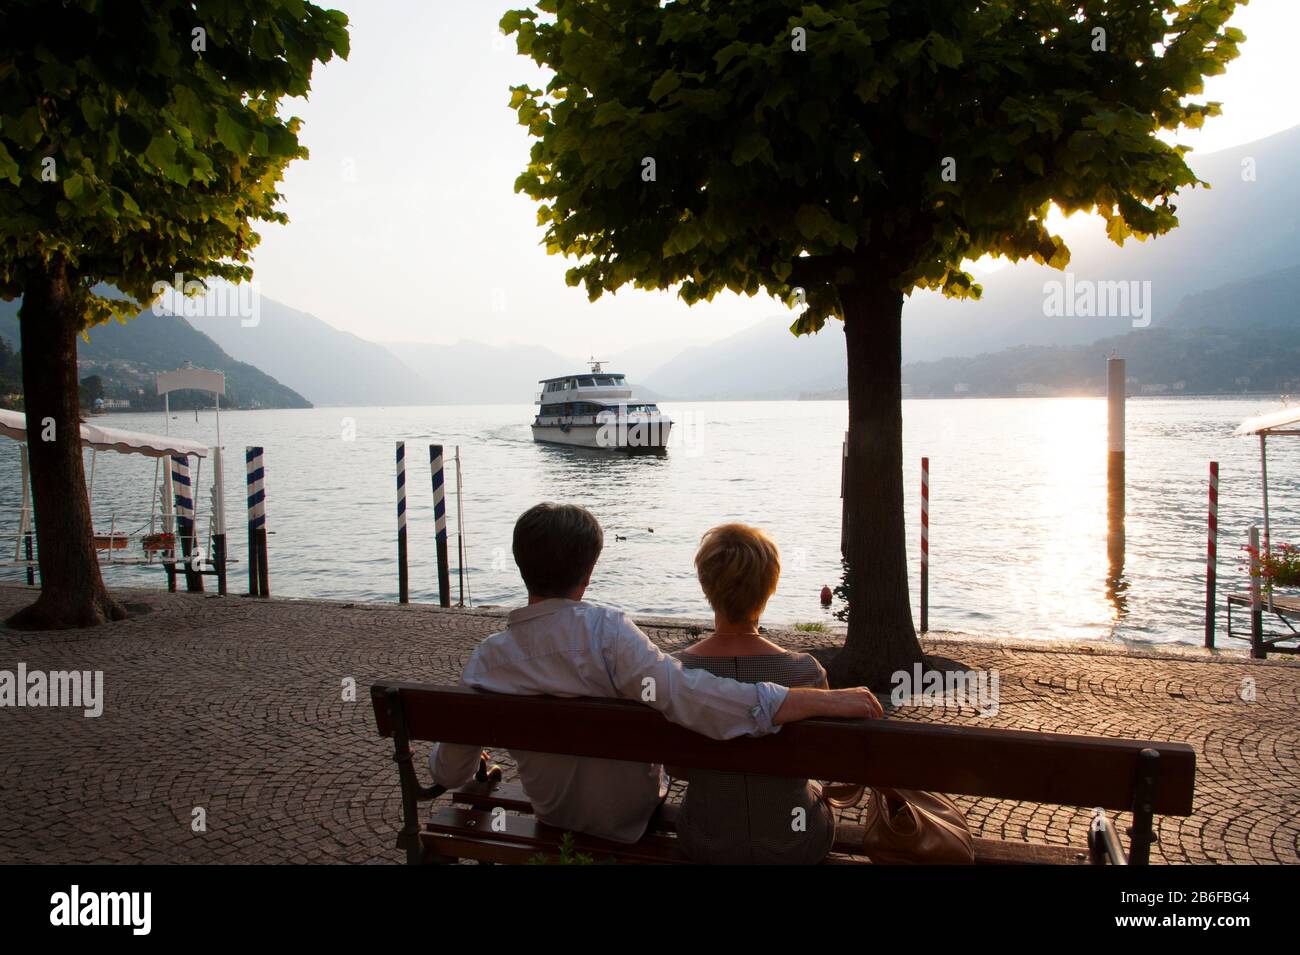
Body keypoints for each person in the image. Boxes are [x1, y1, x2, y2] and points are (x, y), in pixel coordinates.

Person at [429, 502, 881, 844]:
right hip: (631, 820)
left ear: (522, 566)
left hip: (553, 815)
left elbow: (450, 774)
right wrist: (808, 698)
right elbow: (692, 697)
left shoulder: (488, 661)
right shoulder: (608, 634)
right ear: (589, 570)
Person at [672, 523, 834, 864]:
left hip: (706, 837)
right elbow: (821, 761)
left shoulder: (673, 672)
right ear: (770, 586)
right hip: (794, 842)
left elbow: (677, 769)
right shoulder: (805, 672)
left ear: (706, 585)